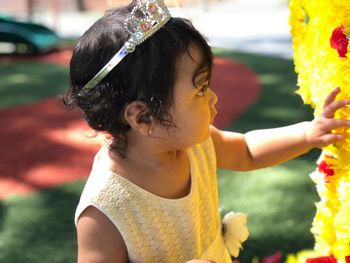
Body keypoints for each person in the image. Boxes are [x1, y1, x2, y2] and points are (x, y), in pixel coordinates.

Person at [63, 0, 350, 262]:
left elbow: (247, 151)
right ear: (143, 117)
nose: (212, 97)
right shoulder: (104, 209)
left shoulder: (194, 143)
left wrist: (310, 133)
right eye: (200, 88)